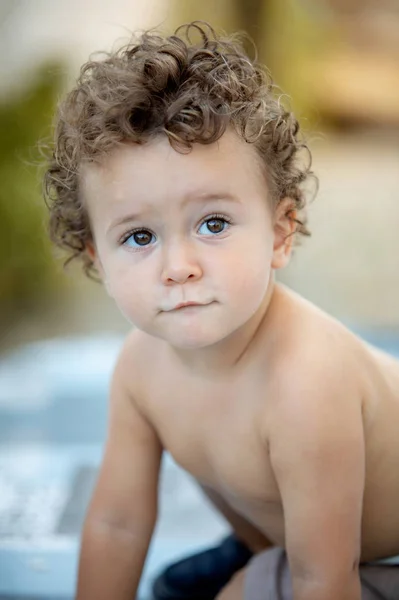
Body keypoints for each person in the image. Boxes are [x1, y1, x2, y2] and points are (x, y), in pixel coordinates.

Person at [43, 20, 399, 600]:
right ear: (98, 259)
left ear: (281, 233)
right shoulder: (140, 368)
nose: (178, 266)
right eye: (139, 237)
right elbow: (117, 523)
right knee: (172, 587)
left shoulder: (305, 381)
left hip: (369, 558)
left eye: (213, 224)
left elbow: (325, 579)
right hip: (291, 541)